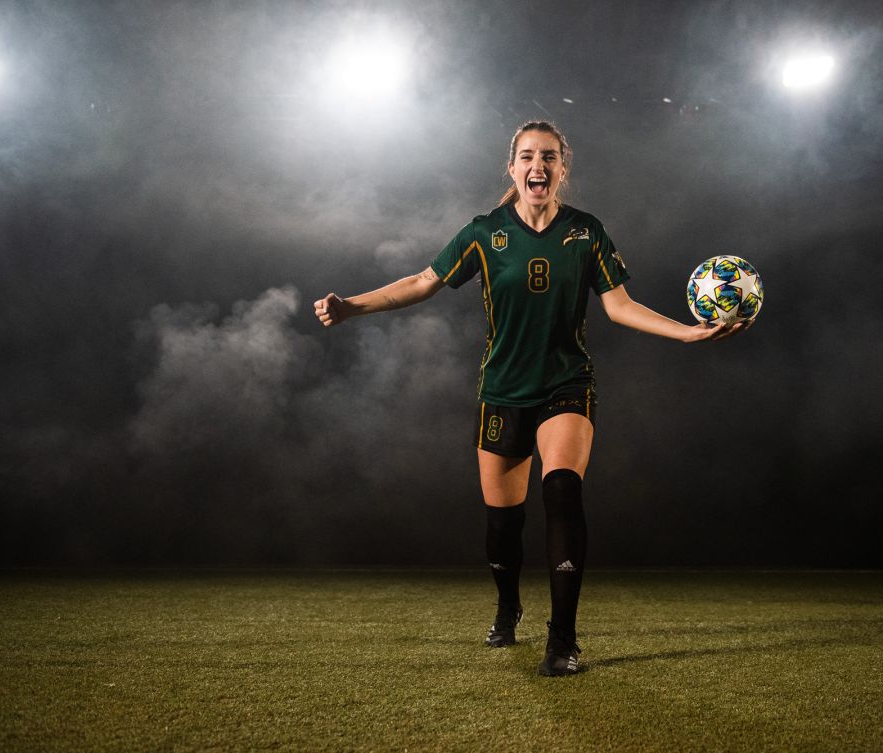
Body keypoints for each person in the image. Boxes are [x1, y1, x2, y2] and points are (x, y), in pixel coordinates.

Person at [314, 120, 746, 677]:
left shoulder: (586, 233)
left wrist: (687, 333)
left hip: (566, 385)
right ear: (512, 168)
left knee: (562, 491)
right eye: (527, 156)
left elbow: (619, 305)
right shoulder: (483, 233)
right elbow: (423, 281)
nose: (537, 166)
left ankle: (562, 641)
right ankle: (507, 606)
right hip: (502, 392)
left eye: (548, 157)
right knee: (503, 522)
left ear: (562, 168)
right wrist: (351, 306)